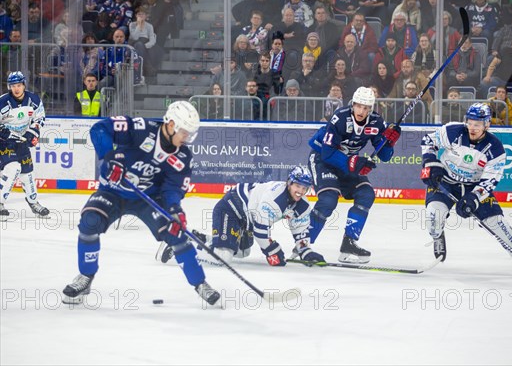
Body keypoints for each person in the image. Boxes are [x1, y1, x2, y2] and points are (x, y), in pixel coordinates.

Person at [61, 101, 221, 306]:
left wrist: (174, 210)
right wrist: (110, 157)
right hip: (113, 191)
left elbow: (172, 188)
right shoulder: (140, 129)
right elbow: (100, 128)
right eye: (185, 132)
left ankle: (200, 283)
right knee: (89, 222)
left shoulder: (183, 156)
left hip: (149, 199)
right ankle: (85, 277)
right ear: (171, 125)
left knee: (176, 233)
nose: (187, 138)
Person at [419, 103, 512, 275]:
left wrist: (474, 198)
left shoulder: (495, 148)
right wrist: (430, 163)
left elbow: (491, 180)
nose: (472, 127)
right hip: (446, 181)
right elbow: (428, 141)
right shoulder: (452, 131)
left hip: (473, 186)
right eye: (470, 122)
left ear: (486, 125)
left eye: (477, 124)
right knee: (433, 216)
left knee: (497, 223)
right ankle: (437, 236)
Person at [306, 86, 402, 263]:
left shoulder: (375, 122)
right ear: (353, 105)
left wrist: (389, 142)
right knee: (328, 199)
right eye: (359, 106)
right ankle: (302, 245)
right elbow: (327, 153)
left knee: (366, 194)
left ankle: (349, 243)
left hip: (346, 163)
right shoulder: (340, 118)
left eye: (366, 108)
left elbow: (385, 156)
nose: (362, 111)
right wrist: (353, 163)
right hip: (322, 159)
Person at [157, 166, 324, 266]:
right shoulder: (275, 198)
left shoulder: (302, 205)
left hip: (247, 218)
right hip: (231, 208)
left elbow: (300, 230)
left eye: (305, 188)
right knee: (224, 257)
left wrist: (306, 251)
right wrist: (271, 250)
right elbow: (261, 230)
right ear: (289, 182)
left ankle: (197, 236)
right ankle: (178, 246)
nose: (301, 191)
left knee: (242, 252)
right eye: (297, 186)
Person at [0, 71, 49, 218]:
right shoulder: (2, 102)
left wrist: (32, 133)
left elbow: (40, 118)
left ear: (24, 85)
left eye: (19, 85)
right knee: (13, 168)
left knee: (27, 173)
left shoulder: (33, 100)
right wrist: (4, 133)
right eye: (13, 85)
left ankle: (33, 202)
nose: (16, 88)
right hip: (4, 143)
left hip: (21, 143)